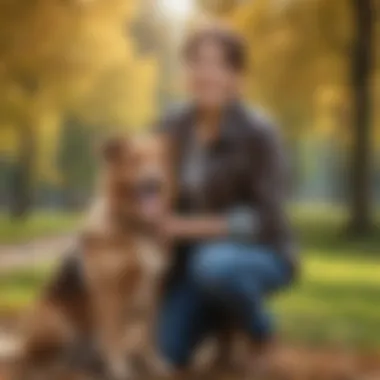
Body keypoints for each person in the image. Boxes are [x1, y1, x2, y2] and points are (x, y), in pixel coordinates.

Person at [156, 25, 298, 377]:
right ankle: (223, 325)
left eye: (219, 65)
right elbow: (148, 185)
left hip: (262, 252)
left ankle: (260, 332)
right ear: (185, 72)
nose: (207, 75)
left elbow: (266, 220)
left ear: (238, 77)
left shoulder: (259, 132)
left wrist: (184, 228)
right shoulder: (171, 125)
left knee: (215, 265)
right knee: (165, 349)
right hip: (190, 262)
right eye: (197, 63)